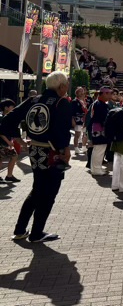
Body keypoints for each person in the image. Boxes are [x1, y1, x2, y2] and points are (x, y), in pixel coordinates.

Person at [2, 72, 72, 242]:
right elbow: (62, 131)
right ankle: (36, 232)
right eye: (66, 85)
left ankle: (20, 229)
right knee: (48, 193)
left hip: (35, 150)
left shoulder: (34, 100)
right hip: (52, 152)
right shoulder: (61, 102)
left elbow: (7, 120)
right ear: (61, 86)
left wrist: (17, 137)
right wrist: (65, 150)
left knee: (38, 189)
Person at [89, 86, 112, 176]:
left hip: (99, 129)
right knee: (99, 149)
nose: (110, 95)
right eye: (108, 93)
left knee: (99, 150)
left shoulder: (101, 103)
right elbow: (101, 119)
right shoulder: (99, 104)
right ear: (103, 93)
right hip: (99, 129)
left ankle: (96, 167)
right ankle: (96, 169)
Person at [0, 99, 23, 183]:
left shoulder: (8, 118)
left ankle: (9, 175)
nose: (13, 108)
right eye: (12, 107)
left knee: (13, 156)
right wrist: (8, 142)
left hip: (6, 142)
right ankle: (9, 176)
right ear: (6, 108)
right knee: (7, 157)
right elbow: (1, 132)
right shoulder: (2, 118)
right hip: (2, 142)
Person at [71, 87, 88, 156]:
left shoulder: (84, 101)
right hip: (77, 120)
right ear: (77, 93)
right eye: (80, 91)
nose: (82, 92)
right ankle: (76, 148)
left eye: (82, 91)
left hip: (84, 120)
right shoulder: (74, 101)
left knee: (85, 134)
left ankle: (84, 147)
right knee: (77, 135)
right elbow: (71, 112)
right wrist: (72, 120)